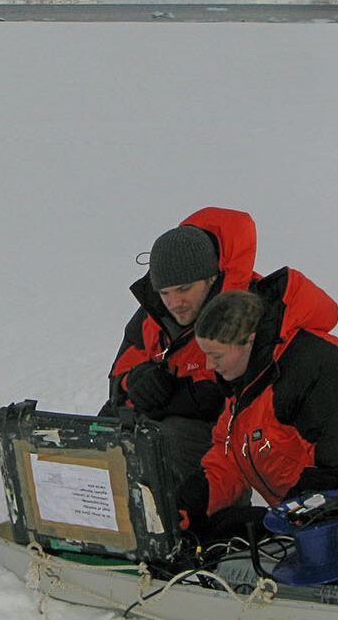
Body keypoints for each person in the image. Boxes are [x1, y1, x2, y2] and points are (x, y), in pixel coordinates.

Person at [176, 278, 338, 553]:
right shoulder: (250, 377)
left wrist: (275, 523)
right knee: (222, 529)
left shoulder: (319, 369)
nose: (208, 365)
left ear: (249, 341)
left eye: (215, 355)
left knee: (242, 536)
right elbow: (231, 454)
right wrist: (198, 498)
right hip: (320, 512)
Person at [102, 208, 264, 487]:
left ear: (211, 278)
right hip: (169, 422)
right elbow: (120, 379)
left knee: (169, 436)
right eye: (165, 293)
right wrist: (136, 384)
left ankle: (194, 518)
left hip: (233, 439)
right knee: (105, 427)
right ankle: (93, 510)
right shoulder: (153, 316)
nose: (175, 302)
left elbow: (255, 394)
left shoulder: (250, 305)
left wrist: (180, 395)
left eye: (184, 289)